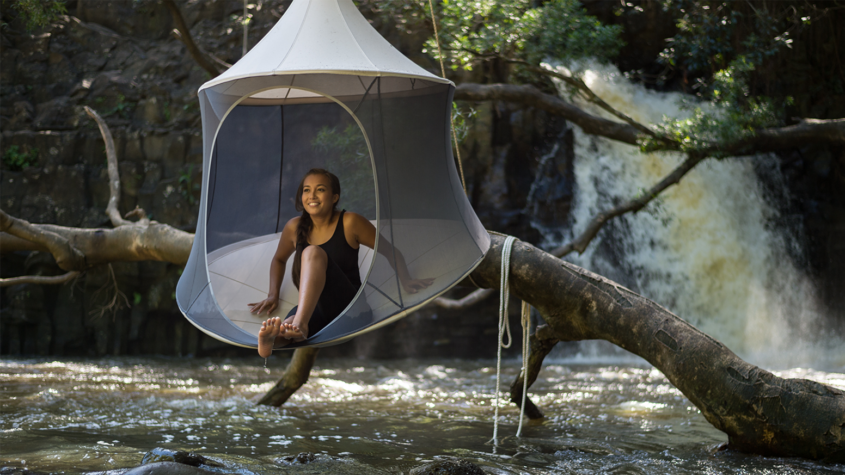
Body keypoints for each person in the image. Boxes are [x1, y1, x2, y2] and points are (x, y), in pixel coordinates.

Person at [248, 168, 433, 357]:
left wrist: (406, 279)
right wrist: (273, 294)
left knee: (312, 254)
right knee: (288, 328)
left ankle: (298, 324)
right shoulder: (294, 227)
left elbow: (390, 251)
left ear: (334, 197)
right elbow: (279, 259)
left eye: (320, 189)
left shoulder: (350, 222)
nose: (312, 195)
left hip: (352, 310)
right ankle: (270, 342)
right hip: (314, 309)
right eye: (306, 190)